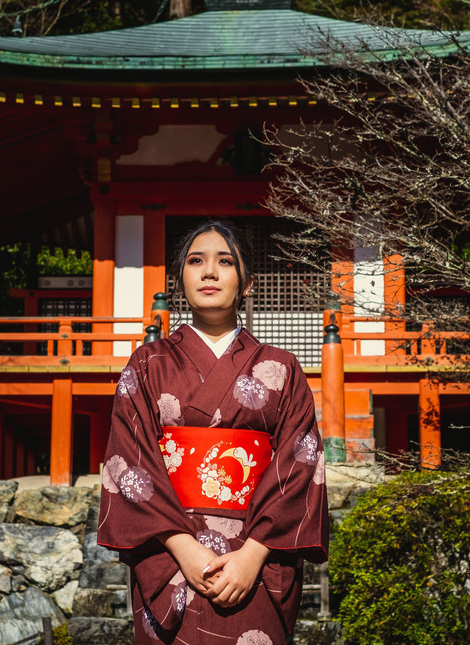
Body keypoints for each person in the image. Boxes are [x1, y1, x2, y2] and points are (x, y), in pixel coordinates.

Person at [98, 220, 330, 645]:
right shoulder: (147, 364)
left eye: (225, 261)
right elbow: (129, 463)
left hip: (257, 559)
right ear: (180, 279)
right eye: (195, 261)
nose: (209, 272)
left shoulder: (282, 368)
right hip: (170, 556)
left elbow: (301, 461)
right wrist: (184, 549)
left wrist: (252, 556)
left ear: (246, 284)